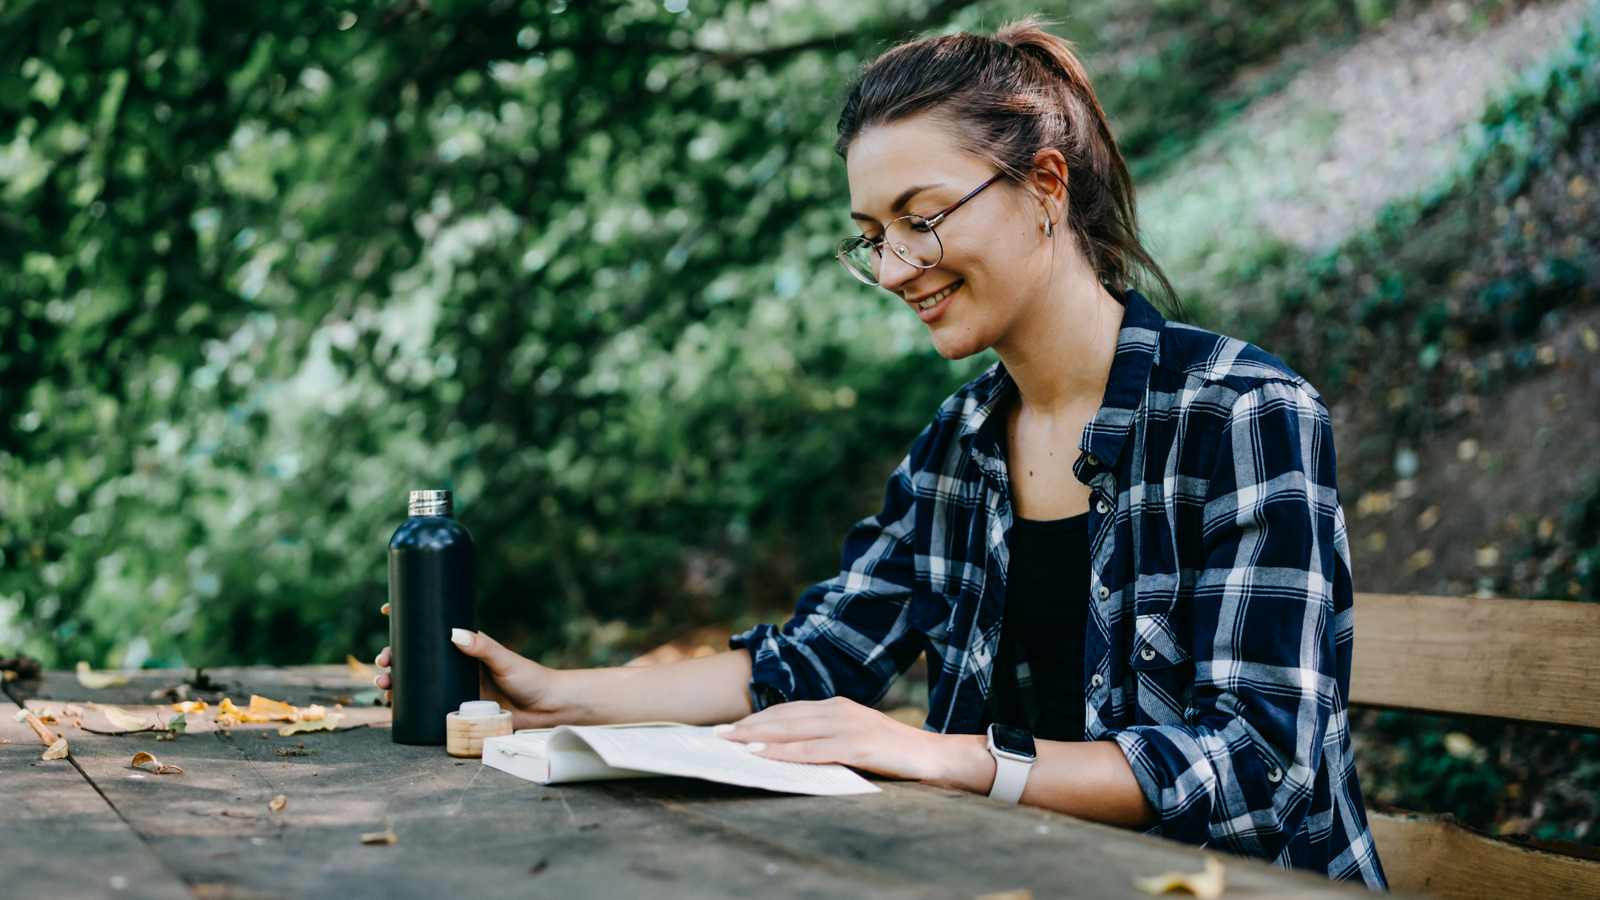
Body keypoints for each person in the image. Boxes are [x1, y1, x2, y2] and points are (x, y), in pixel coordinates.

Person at [375, 19, 1387, 889]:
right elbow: (817, 657)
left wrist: (947, 759)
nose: (897, 267)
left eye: (921, 218)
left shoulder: (1243, 415)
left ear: (1043, 186)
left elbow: (1260, 761)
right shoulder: (960, 448)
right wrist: (559, 692)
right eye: (872, 235)